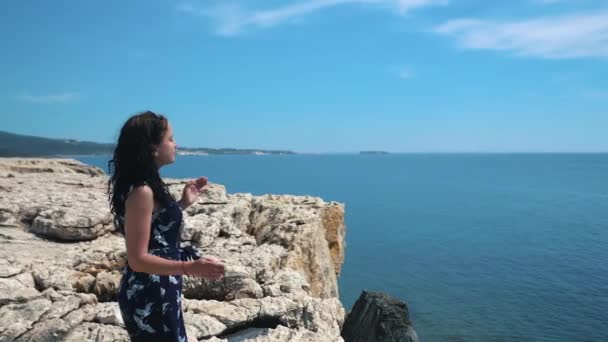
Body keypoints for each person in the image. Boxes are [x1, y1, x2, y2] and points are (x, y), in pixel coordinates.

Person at [107, 111, 225, 341]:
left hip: (160, 285)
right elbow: (138, 259)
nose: (175, 144)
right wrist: (190, 268)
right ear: (152, 147)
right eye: (170, 138)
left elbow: (154, 230)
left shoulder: (147, 185)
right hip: (149, 292)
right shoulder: (142, 191)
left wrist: (182, 204)